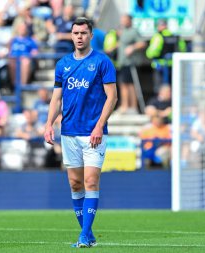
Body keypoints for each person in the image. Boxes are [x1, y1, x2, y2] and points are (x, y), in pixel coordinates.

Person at [44, 17, 117, 248]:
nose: (79, 37)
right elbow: (56, 98)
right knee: (76, 184)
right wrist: (49, 124)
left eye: (83, 33)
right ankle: (88, 233)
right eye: (75, 33)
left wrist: (99, 125)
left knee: (90, 181)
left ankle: (84, 236)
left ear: (91, 35)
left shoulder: (102, 62)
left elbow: (112, 97)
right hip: (69, 132)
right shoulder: (63, 64)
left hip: (93, 133)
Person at [116, 14, 146, 114]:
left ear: (130, 20)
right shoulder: (122, 31)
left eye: (125, 19)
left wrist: (132, 48)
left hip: (130, 63)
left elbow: (142, 43)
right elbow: (122, 44)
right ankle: (125, 105)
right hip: (122, 62)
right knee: (123, 84)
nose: (123, 21)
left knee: (130, 85)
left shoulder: (134, 31)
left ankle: (131, 107)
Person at [146, 19, 186, 94]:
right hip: (174, 66)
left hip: (161, 67)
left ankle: (161, 105)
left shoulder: (158, 36)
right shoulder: (175, 36)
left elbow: (151, 53)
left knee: (160, 89)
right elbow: (183, 49)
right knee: (174, 88)